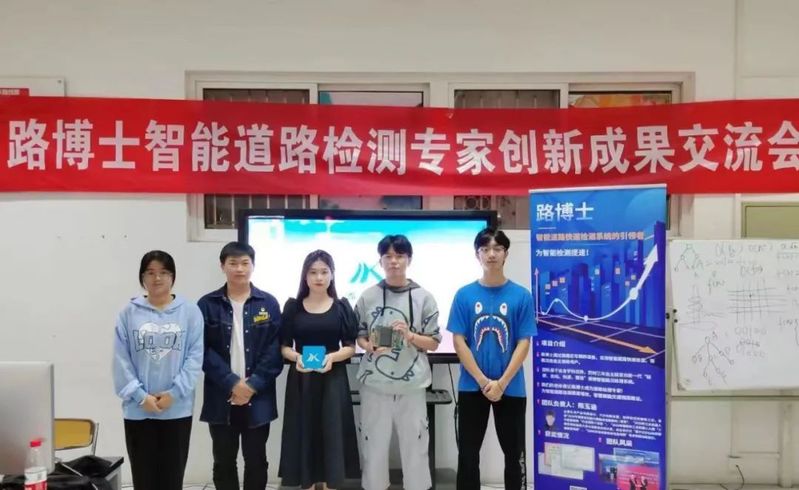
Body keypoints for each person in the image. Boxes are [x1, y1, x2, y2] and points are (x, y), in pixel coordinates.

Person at [447, 228, 537, 490]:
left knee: (514, 454)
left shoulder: (521, 296)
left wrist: (502, 383)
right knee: (468, 454)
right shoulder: (464, 295)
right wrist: (483, 380)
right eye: (485, 249)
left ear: (506, 254)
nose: (491, 254)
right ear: (477, 254)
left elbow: (524, 342)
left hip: (511, 387)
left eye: (497, 248)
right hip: (471, 386)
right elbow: (459, 341)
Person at [355, 234, 441, 490]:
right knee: (373, 448)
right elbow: (359, 335)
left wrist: (410, 336)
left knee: (416, 448)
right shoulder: (368, 296)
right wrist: (368, 346)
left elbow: (434, 342)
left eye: (400, 256)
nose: (394, 261)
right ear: (380, 261)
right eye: (388, 256)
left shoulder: (424, 297)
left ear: (409, 260)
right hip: (374, 385)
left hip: (412, 386)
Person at [113, 250, 204, 490]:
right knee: (144, 478)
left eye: (164, 272)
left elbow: (195, 358)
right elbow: (121, 360)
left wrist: (174, 393)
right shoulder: (128, 313)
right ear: (142, 277)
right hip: (138, 410)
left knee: (172, 478)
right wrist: (140, 396)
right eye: (150, 273)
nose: (157, 278)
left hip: (177, 409)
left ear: (172, 276)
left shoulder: (190, 312)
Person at [198, 241, 283, 490]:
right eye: (233, 263)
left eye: (245, 263)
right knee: (223, 461)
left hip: (258, 396)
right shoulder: (207, 305)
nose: (239, 269)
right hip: (221, 396)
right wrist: (233, 383)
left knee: (256, 460)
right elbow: (201, 350)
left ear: (253, 266)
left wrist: (251, 385)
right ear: (222, 266)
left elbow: (275, 350)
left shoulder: (268, 303)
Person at [278, 250, 360, 489]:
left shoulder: (341, 307)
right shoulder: (293, 307)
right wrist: (297, 357)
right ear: (305, 276)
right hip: (302, 380)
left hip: (333, 380)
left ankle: (330, 483)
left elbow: (350, 347)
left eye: (324, 272)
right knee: (305, 433)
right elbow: (283, 346)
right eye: (313, 272)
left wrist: (331, 358)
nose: (319, 277)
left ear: (332, 275)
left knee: (332, 435)